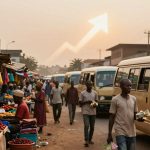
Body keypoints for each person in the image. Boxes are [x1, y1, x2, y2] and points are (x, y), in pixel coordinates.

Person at [107, 79, 138, 150]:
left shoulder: (134, 99)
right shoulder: (115, 100)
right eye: (127, 86)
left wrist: (140, 118)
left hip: (132, 132)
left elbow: (135, 115)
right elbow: (111, 117)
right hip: (120, 131)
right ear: (121, 87)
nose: (130, 87)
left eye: (130, 86)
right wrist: (109, 134)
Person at [79, 81, 98, 147]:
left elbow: (97, 102)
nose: (90, 86)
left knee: (92, 127)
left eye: (91, 85)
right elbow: (80, 104)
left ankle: (90, 139)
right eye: (89, 85)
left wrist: (94, 104)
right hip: (85, 112)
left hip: (93, 112)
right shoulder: (82, 93)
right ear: (86, 85)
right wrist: (87, 102)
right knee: (87, 125)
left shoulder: (95, 93)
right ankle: (86, 140)